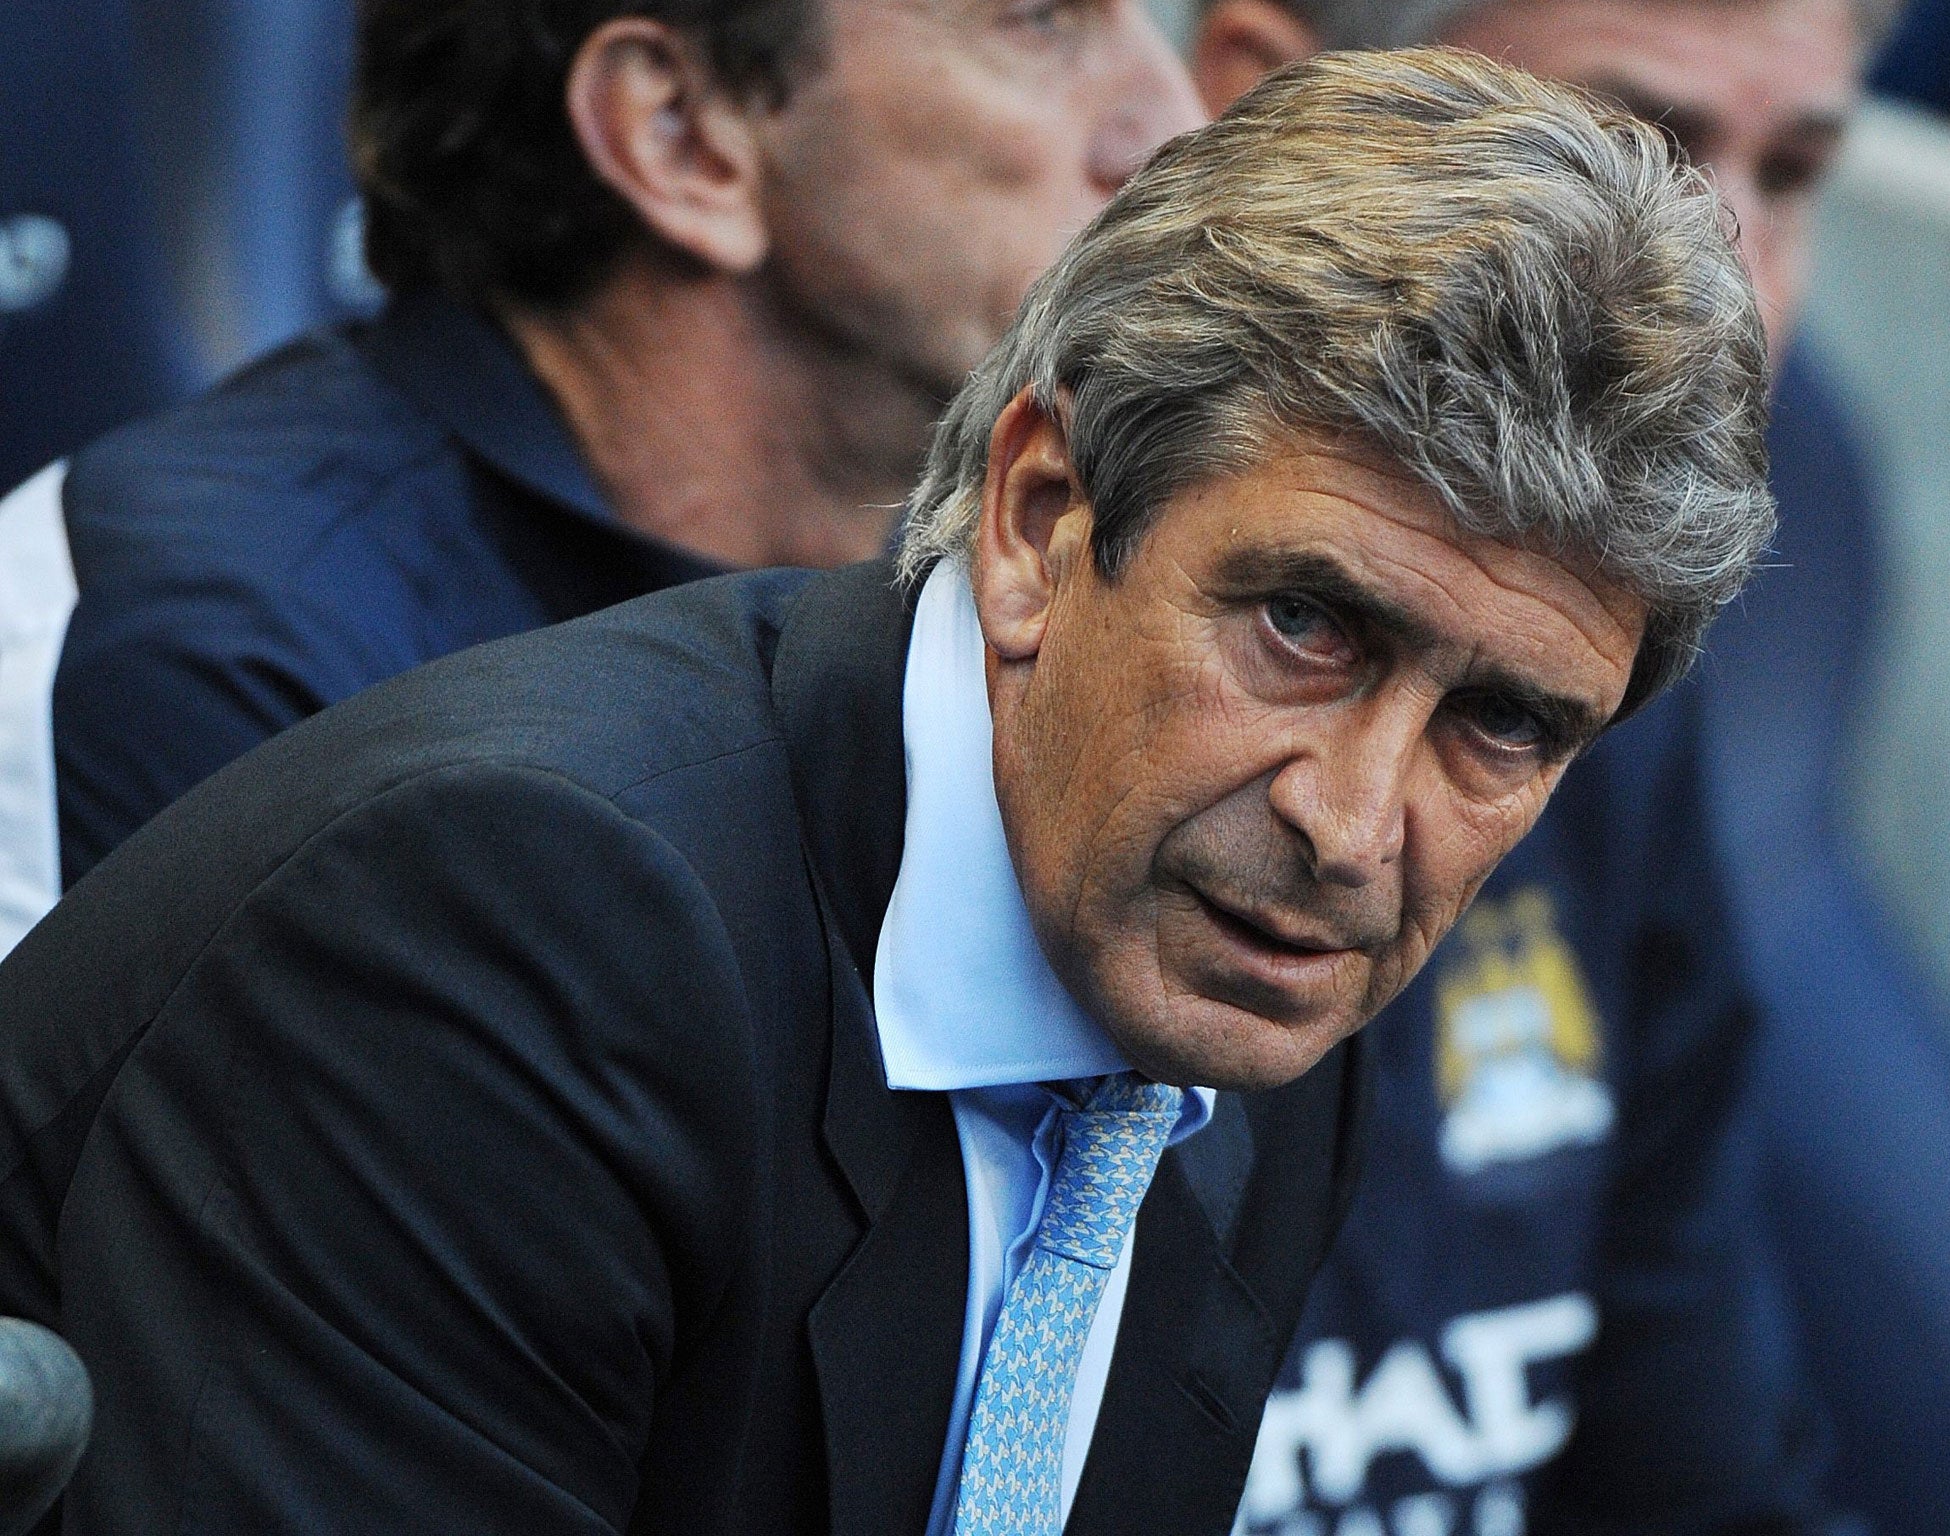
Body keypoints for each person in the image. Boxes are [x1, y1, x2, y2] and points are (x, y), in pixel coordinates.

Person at [0, 50, 1776, 1535]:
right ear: (1032, 522)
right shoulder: (516, 923)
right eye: (1303, 625)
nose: (1355, 822)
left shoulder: (1252, 1013)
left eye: (1503, 726)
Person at [1193, 2, 1950, 1532]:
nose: (1733, 316)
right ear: (1265, 109)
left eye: (1786, 179)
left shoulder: (1624, 715)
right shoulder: (839, 750)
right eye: (1630, 159)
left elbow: (1704, 1478)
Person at [40, 0, 1202, 896]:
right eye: (1038, 17)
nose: (1172, 124)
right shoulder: (209, 643)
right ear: (680, 136)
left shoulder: (1091, 569)